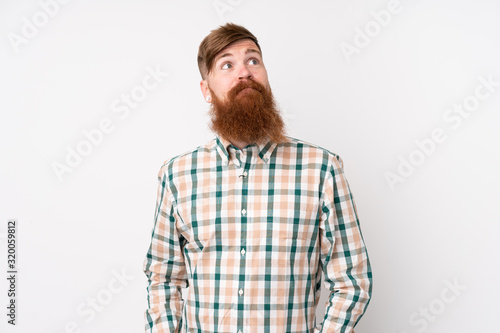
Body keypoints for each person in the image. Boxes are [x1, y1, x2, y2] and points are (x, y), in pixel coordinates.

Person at [143, 22, 372, 333]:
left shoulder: (322, 169)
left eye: (253, 60)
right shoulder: (177, 175)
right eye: (227, 64)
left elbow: (352, 280)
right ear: (206, 90)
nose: (245, 72)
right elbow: (163, 278)